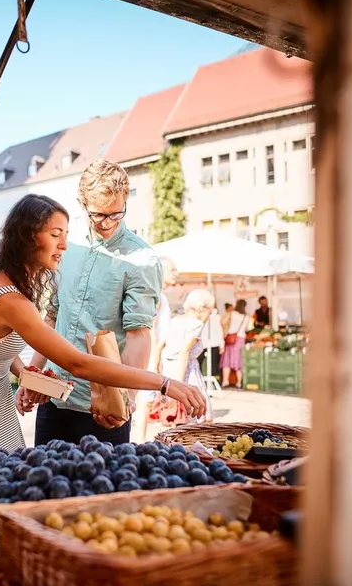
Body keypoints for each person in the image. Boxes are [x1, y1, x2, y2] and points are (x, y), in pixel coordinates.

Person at [0, 194, 205, 485]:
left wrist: (24, 373)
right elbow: (77, 363)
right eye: (55, 235)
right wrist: (164, 383)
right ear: (28, 236)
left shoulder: (7, 285)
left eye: (65, 234)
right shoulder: (11, 300)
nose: (64, 245)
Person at [17, 160, 164, 446]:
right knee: (45, 486)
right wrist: (30, 376)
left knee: (101, 489)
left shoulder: (142, 259)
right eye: (98, 215)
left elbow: (138, 335)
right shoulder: (67, 247)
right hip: (54, 397)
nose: (107, 223)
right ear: (82, 204)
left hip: (104, 407)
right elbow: (51, 318)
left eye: (116, 214)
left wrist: (128, 400)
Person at [153, 289, 214, 425]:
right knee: (195, 418)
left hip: (168, 371)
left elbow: (160, 346)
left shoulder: (174, 320)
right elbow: (183, 353)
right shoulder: (196, 324)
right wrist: (179, 385)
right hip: (186, 372)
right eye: (211, 309)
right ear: (203, 309)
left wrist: (157, 369)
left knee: (172, 419)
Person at [133, 256, 177, 443]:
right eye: (173, 269)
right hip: (151, 353)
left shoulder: (160, 296)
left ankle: (141, 438)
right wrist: (155, 359)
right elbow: (150, 328)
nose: (177, 273)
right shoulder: (156, 295)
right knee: (146, 399)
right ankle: (140, 439)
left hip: (155, 352)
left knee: (148, 400)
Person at [221, 299, 249, 388]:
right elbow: (247, 328)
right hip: (241, 339)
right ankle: (239, 382)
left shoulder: (232, 313)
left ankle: (225, 381)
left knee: (227, 359)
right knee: (238, 359)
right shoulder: (246, 317)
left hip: (231, 338)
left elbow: (222, 322)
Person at [198, 306, 224, 382]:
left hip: (209, 342)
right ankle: (202, 380)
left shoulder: (214, 317)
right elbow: (219, 330)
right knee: (211, 363)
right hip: (207, 343)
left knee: (210, 363)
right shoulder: (214, 317)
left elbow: (219, 330)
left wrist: (221, 343)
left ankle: (205, 381)